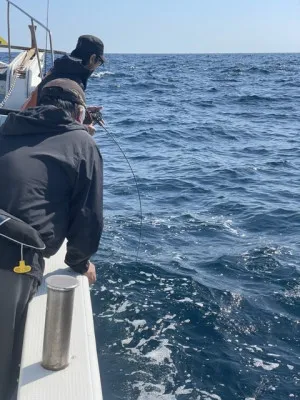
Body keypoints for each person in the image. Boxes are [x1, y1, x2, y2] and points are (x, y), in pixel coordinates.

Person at [0, 78, 103, 399]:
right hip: (14, 255)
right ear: (79, 112)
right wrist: (79, 263)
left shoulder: (6, 127)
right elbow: (88, 218)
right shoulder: (83, 144)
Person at [22, 34, 106, 133]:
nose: (97, 67)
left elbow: (25, 110)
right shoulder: (73, 83)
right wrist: (86, 130)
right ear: (92, 58)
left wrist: (82, 109)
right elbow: (65, 132)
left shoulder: (55, 72)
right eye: (99, 62)